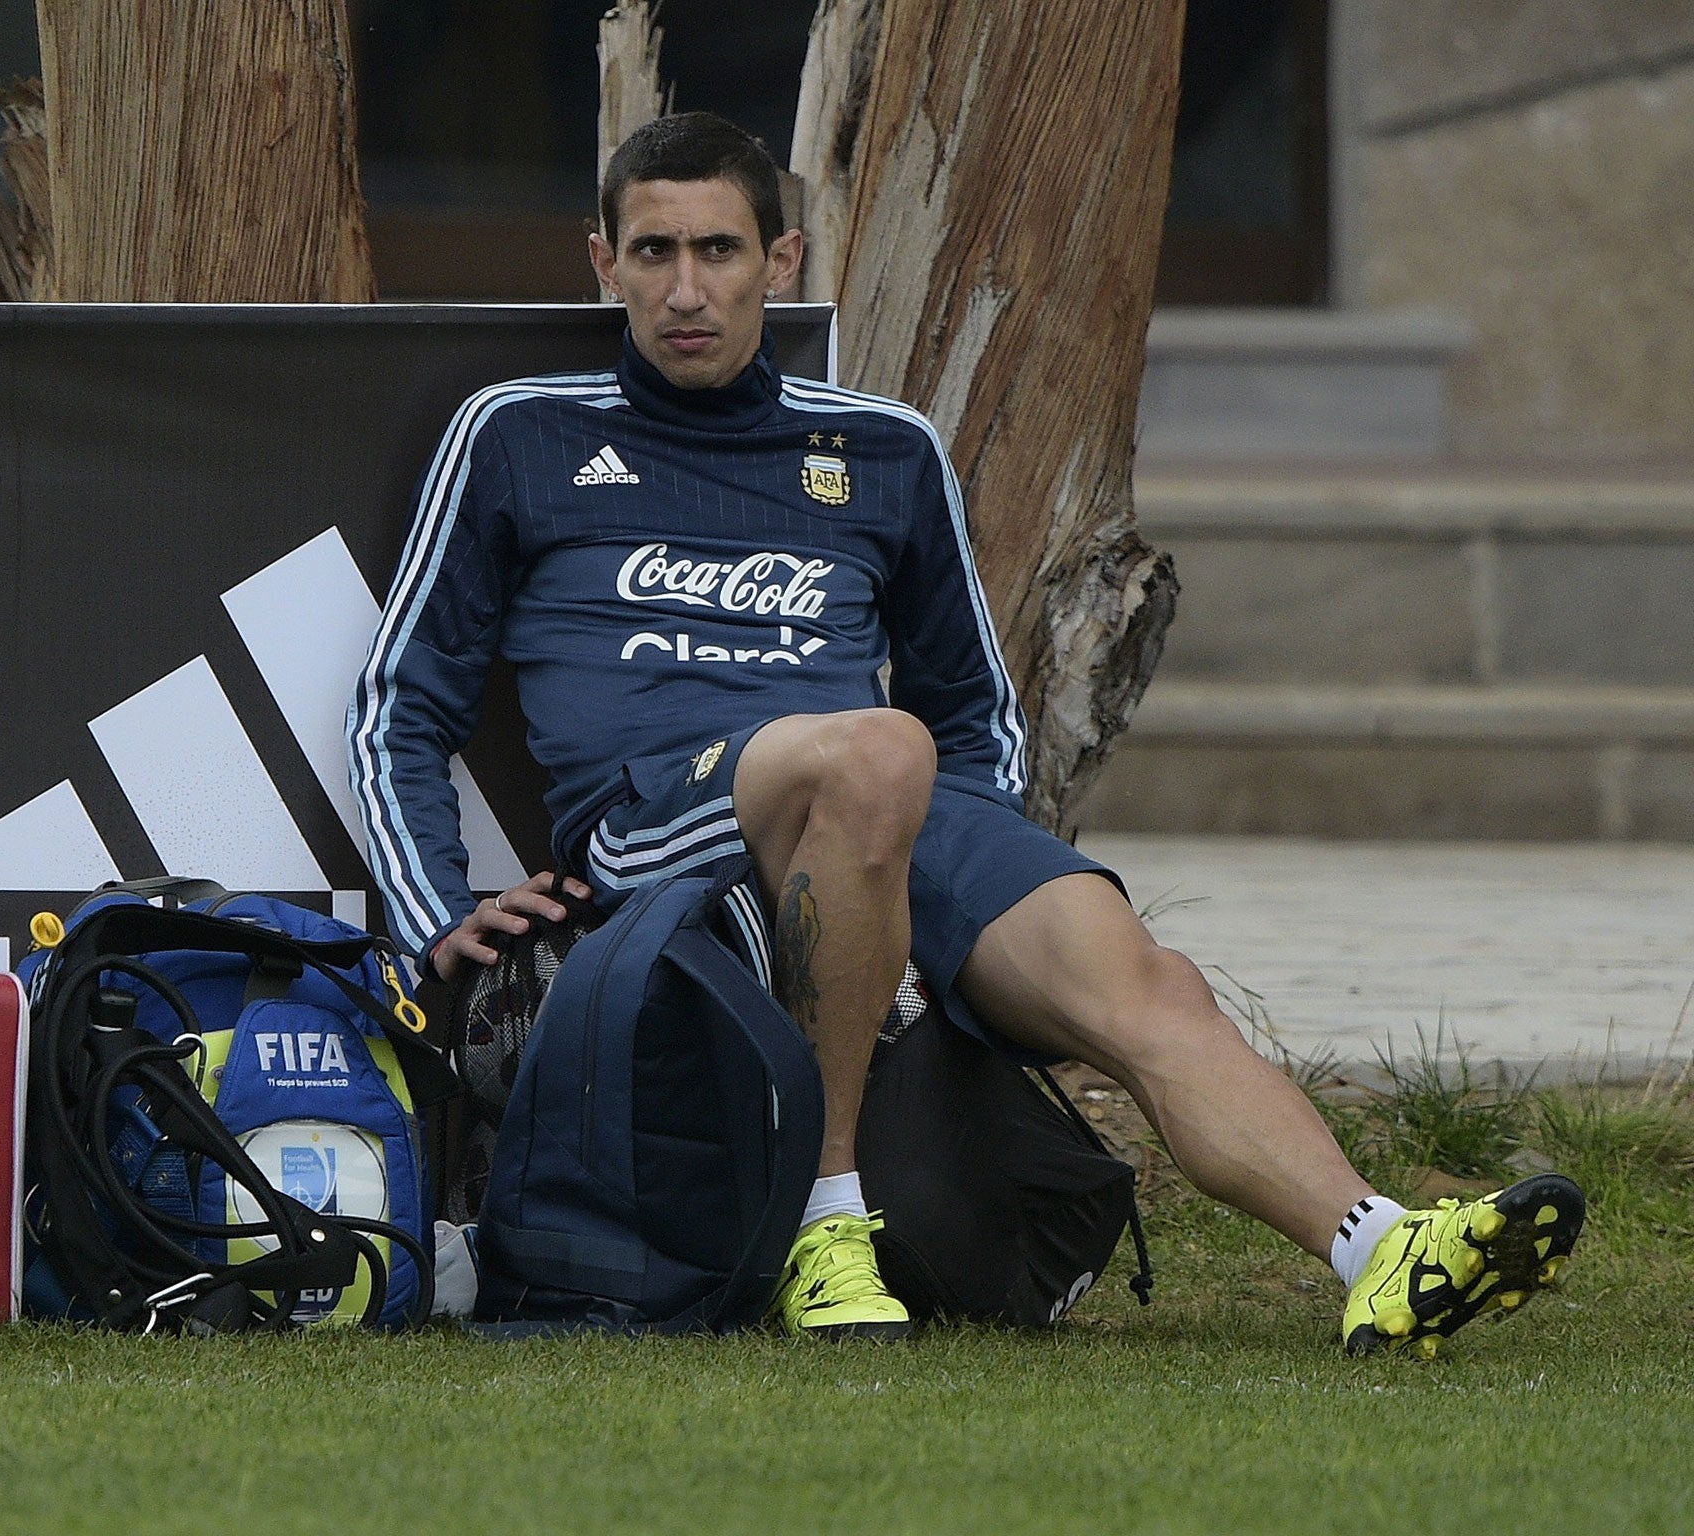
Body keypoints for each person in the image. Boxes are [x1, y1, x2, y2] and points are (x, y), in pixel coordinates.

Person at [345, 111, 1584, 1349]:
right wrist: (431, 911)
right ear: (601, 263)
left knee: (1142, 981)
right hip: (661, 826)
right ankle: (826, 1224)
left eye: (718, 251)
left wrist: (946, 902)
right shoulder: (517, 433)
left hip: (878, 808)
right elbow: (403, 699)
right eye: (653, 253)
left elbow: (972, 715)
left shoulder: (881, 449)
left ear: (780, 263)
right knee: (870, 748)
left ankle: (1376, 1244)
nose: (686, 290)